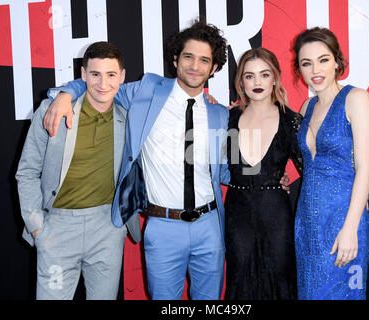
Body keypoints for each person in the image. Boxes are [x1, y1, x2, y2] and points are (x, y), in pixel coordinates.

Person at [42, 20, 230, 300]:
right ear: (176, 59)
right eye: (189, 56)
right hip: (163, 226)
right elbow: (101, 85)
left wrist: (273, 179)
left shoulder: (220, 114)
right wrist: (67, 93)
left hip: (210, 226)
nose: (195, 65)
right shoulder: (147, 91)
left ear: (213, 68)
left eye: (205, 60)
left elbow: (224, 170)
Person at [15, 42, 128, 299]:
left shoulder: (128, 114)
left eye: (111, 75)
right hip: (57, 229)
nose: (103, 83)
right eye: (95, 74)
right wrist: (37, 228)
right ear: (83, 74)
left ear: (121, 76)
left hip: (107, 229)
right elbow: (27, 171)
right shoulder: (52, 110)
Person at [292, 27, 369, 299]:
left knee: (348, 293)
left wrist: (351, 228)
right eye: (307, 63)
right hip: (307, 223)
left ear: (337, 62)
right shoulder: (306, 107)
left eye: (323, 59)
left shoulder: (356, 99)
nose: (315, 69)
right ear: (299, 69)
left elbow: (366, 167)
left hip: (344, 220)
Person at [224, 48, 302, 300]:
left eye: (264, 74)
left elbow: (313, 172)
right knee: (240, 281)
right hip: (238, 216)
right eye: (249, 76)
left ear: (275, 78)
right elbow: (214, 166)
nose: (257, 82)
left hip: (276, 216)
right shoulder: (227, 119)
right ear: (240, 81)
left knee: (279, 280)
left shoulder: (291, 121)